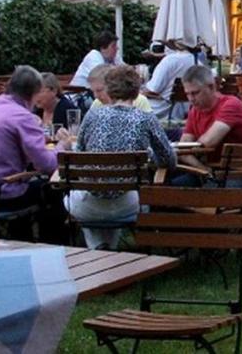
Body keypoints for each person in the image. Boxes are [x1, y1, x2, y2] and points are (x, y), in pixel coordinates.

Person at [68, 65, 176, 249]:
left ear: (109, 89)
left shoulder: (92, 116)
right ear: (136, 91)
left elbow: (80, 154)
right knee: (117, 191)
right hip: (127, 204)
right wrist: (150, 157)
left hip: (89, 206)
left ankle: (98, 252)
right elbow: (168, 160)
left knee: (90, 194)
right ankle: (108, 253)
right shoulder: (146, 118)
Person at [0, 66, 72, 214]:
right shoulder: (22, 116)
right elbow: (47, 165)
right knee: (56, 189)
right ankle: (52, 237)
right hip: (5, 192)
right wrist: (63, 145)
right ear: (34, 93)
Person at [173, 65, 242, 187]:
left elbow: (208, 142)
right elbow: (183, 150)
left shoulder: (231, 105)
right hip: (214, 171)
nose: (191, 99)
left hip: (241, 172)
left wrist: (200, 166)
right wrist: (203, 170)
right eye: (187, 94)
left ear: (212, 87)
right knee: (167, 188)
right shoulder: (195, 110)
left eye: (195, 93)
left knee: (178, 192)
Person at [142, 39, 196, 120]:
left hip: (160, 109)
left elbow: (152, 89)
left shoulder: (170, 60)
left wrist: (139, 90)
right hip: (181, 110)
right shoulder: (195, 61)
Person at [88, 64, 154, 114]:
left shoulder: (139, 101)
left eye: (99, 90)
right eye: (93, 91)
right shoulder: (97, 103)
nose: (95, 96)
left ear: (112, 85)